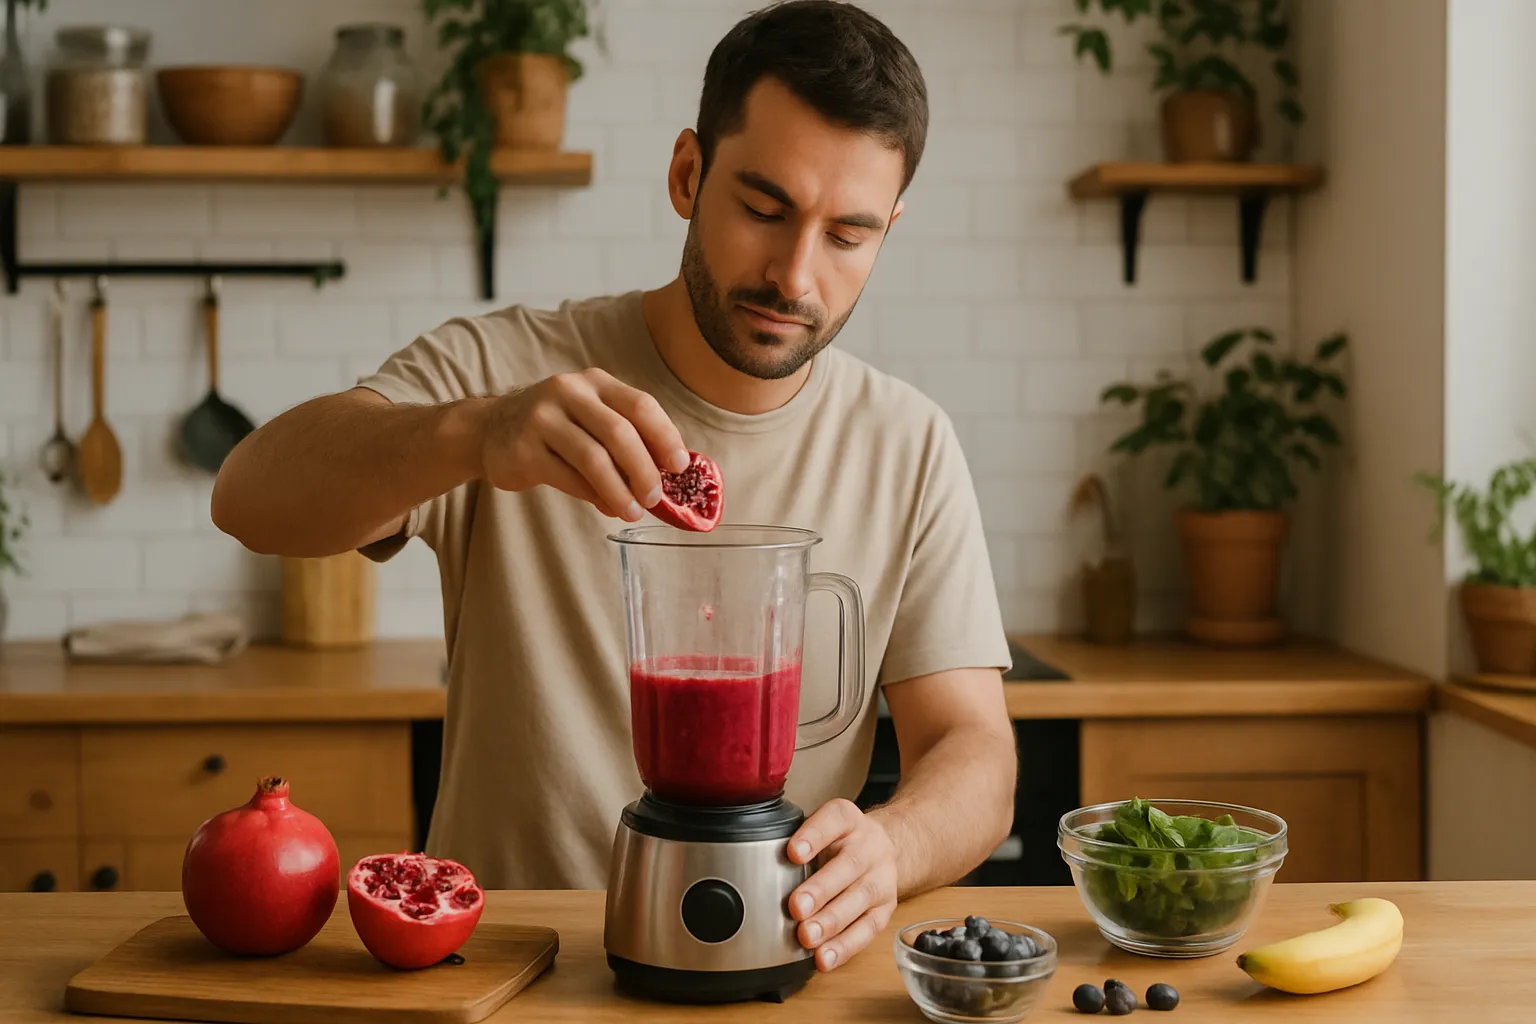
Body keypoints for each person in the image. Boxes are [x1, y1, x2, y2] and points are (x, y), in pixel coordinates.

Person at [212, 0, 1017, 974]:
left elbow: (974, 750)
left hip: (773, 966)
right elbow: (249, 495)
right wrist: (474, 432)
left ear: (889, 229)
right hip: (503, 970)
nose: (795, 274)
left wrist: (898, 845)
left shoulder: (908, 442)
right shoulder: (509, 366)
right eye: (763, 208)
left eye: (847, 235)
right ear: (688, 174)